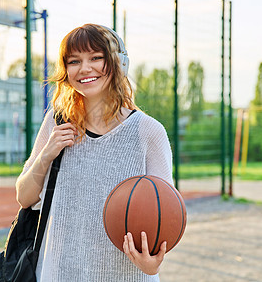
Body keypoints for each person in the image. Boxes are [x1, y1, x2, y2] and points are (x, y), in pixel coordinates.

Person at [15, 23, 173, 281]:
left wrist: (152, 265)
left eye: (96, 58)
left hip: (125, 275)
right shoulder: (57, 122)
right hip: (59, 274)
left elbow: (164, 217)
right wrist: (46, 155)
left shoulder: (148, 132)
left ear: (119, 63)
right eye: (74, 61)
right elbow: (24, 196)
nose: (85, 68)